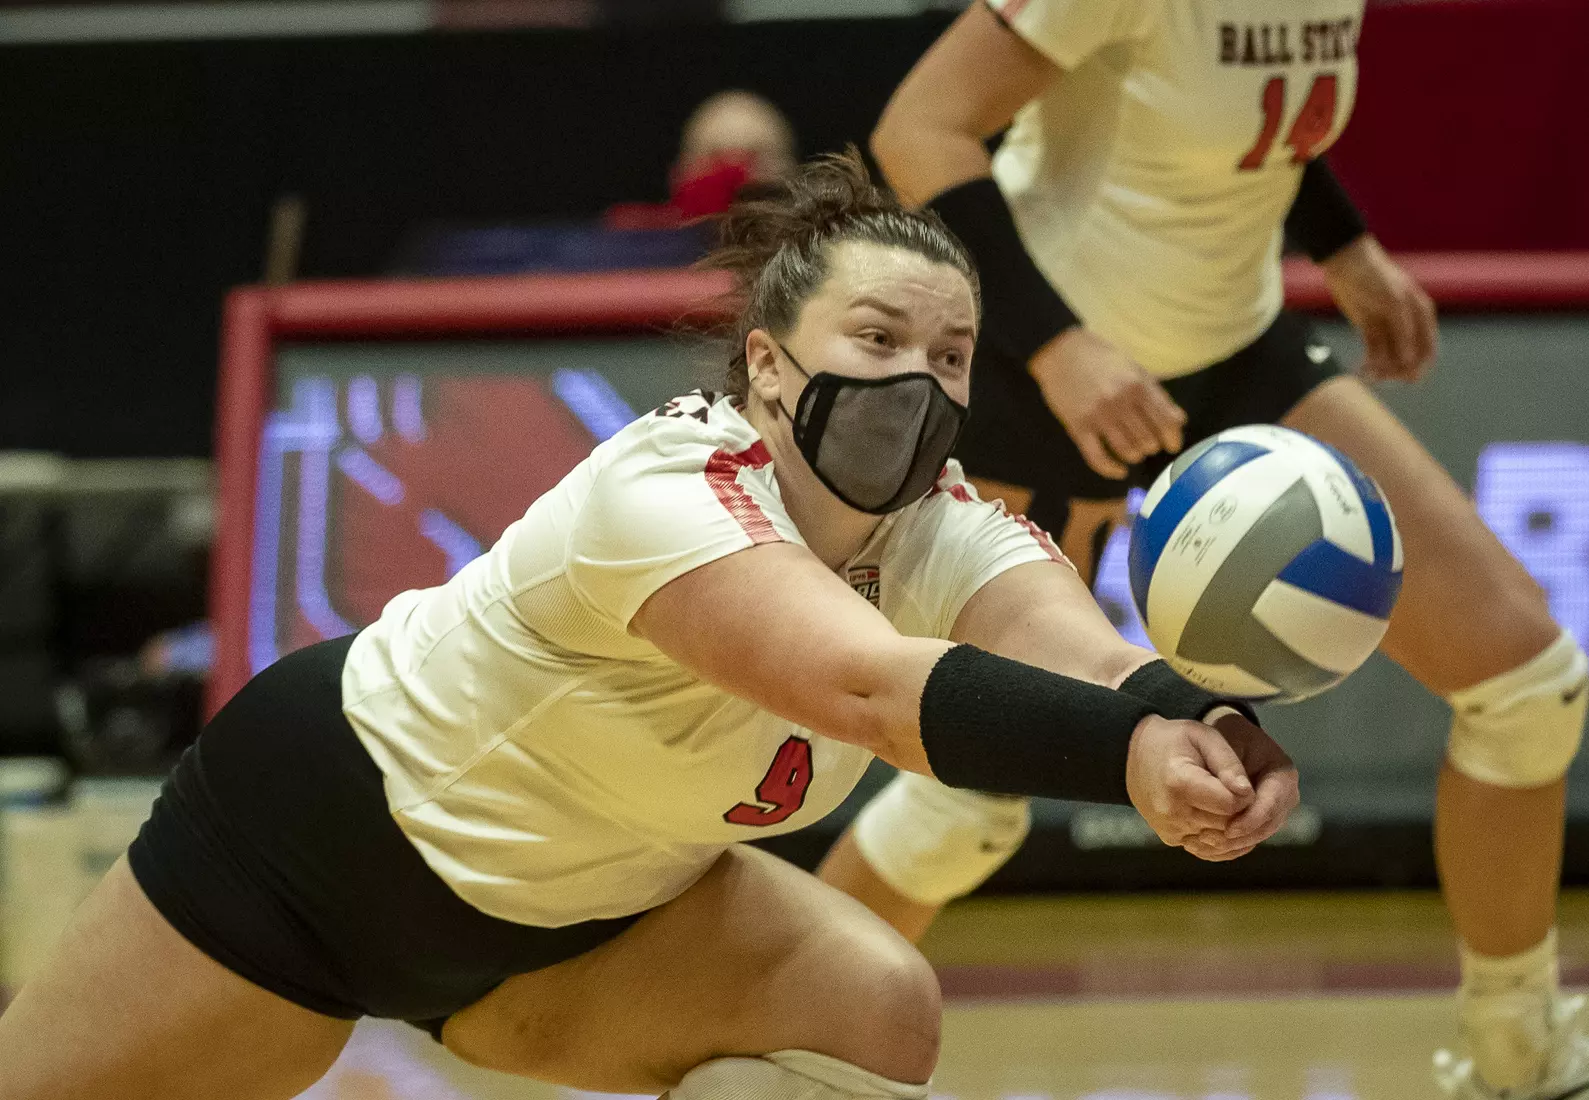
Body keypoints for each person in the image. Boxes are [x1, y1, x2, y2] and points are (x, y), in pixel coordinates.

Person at [0, 151, 1299, 1100]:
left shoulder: (937, 521)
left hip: (569, 938)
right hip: (317, 852)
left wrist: (1196, 721)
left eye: (951, 353)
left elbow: (1074, 647)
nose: (919, 377)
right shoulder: (669, 488)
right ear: (769, 361)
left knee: (867, 1002)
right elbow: (860, 688)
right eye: (877, 335)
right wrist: (1124, 760)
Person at [815, 7, 1589, 1100]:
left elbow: (1255, 126)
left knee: (1526, 682)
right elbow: (919, 130)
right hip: (1050, 374)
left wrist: (1344, 245)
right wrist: (1059, 345)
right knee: (962, 796)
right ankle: (775, 1056)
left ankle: (1518, 1055)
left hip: (1237, 354)